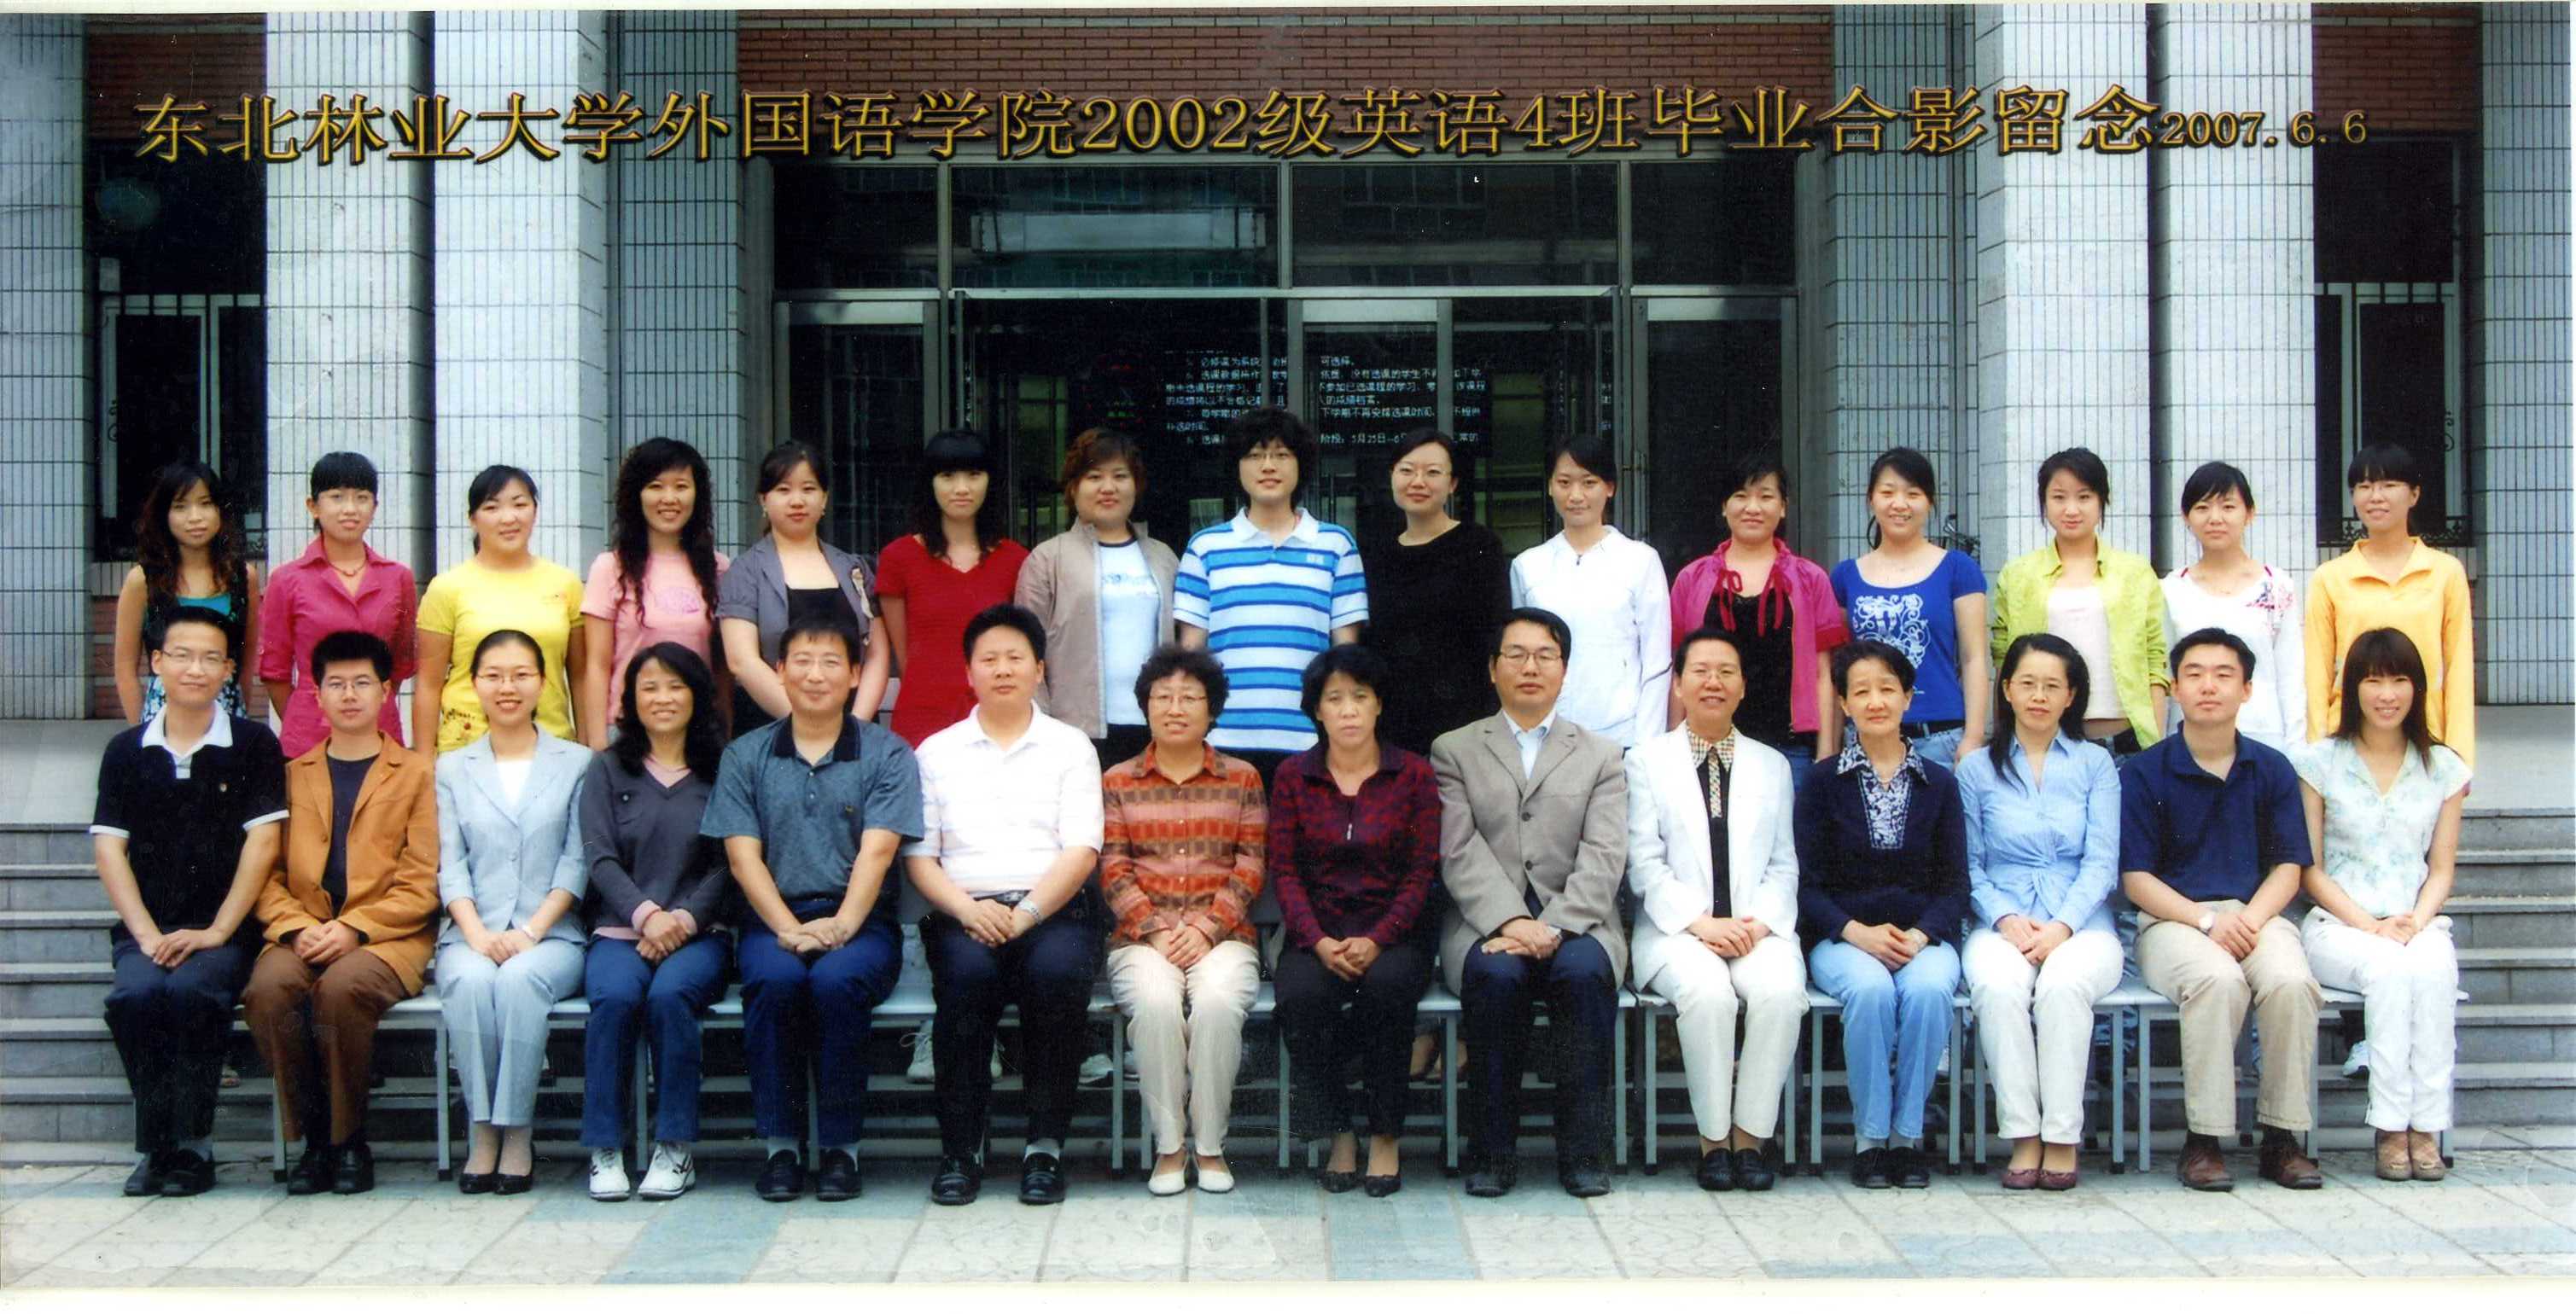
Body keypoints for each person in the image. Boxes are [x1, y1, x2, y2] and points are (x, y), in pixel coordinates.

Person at [700, 619, 918, 1203]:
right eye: (801, 660)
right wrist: (790, 929)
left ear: (855, 675)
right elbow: (742, 858)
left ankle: (842, 1150)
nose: (815, 675)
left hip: (862, 923)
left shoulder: (887, 753)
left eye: (830, 662)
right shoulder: (746, 754)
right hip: (774, 921)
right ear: (779, 671)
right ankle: (782, 1148)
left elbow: (879, 851)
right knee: (774, 982)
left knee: (836, 982)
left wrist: (841, 926)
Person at [904, 605, 1105, 1207]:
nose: (1002, 669)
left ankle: (1044, 1148)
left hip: (1053, 912)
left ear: (1039, 669)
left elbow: (1082, 849)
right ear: (968, 672)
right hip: (965, 913)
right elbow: (921, 859)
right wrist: (969, 911)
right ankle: (962, 1150)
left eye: (1016, 657)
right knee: (965, 982)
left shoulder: (1070, 747)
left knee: (1056, 977)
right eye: (988, 659)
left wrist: (1028, 913)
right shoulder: (936, 752)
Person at [1431, 607, 1629, 1199]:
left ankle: (1583, 1155)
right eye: (1515, 655)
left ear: (1564, 671)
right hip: (1485, 923)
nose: (1530, 667)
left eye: (1545, 656)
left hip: (1580, 922)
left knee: (1583, 975)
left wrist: (1555, 926)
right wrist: (1513, 921)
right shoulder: (1454, 749)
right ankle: (1492, 1155)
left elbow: (1605, 854)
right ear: (1492, 669)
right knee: (1496, 978)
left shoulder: (1600, 754)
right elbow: (1458, 849)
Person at [90, 606, 286, 1197]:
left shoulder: (253, 744)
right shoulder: (126, 751)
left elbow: (264, 843)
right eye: (182, 655)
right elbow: (109, 849)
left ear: (228, 669)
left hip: (225, 931)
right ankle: (156, 1149)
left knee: (192, 992)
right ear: (157, 662)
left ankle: (195, 1146)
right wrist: (146, 935)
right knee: (135, 996)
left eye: (210, 658)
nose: (195, 669)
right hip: (147, 929)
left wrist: (218, 931)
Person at [2120, 627, 2323, 1192]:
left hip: (2256, 915)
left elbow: (2289, 866)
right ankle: (2204, 1140)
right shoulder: (2144, 771)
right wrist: (2207, 921)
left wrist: (2249, 921)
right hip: (2174, 921)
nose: (2208, 686)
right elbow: (2136, 878)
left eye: (2223, 675)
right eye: (2194, 674)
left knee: (2290, 982)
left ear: (2247, 690)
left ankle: (2282, 1137)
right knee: (2217, 980)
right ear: (2175, 688)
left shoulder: (2272, 768)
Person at [242, 631, 437, 1197]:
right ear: (316, 695)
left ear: (385, 692)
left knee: (341, 990)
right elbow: (266, 874)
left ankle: (349, 1141)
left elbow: (422, 881)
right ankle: (313, 1141)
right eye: (336, 684)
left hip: (387, 937)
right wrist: (296, 928)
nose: (349, 695)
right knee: (269, 989)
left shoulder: (417, 774)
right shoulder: (290, 773)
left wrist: (356, 928)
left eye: (361, 683)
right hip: (302, 931)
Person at [1623, 627, 1807, 1192]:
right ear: (1678, 685)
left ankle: (1750, 1140)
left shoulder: (1772, 765)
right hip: (1677, 931)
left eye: (1726, 672)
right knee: (1709, 995)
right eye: (1700, 671)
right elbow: (1643, 862)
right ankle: (1712, 1143)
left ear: (1743, 687)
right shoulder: (1645, 761)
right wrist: (1699, 923)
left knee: (1781, 993)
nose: (1713, 682)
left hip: (1756, 928)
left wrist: (1758, 923)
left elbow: (1784, 863)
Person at [2295, 628, 2469, 1182]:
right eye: (2373, 680)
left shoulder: (2444, 768)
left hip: (2415, 920)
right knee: (2390, 972)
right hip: (2339, 925)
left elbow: (2441, 868)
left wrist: (2416, 920)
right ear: (2353, 688)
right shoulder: (2319, 762)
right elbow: (2310, 869)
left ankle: (2428, 1125)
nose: (2387, 694)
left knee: (2435, 969)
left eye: (2399, 680)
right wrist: (2370, 925)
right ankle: (2391, 1127)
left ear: (2417, 688)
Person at [1795, 640, 1969, 1190]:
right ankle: (1871, 1142)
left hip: (1923, 938)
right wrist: (1856, 934)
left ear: (1908, 698)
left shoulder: (1939, 782)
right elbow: (1806, 885)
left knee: (1928, 992)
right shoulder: (1822, 782)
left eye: (1888, 689)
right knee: (1869, 992)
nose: (1876, 701)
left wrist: (1919, 936)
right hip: (1843, 939)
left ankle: (1906, 1139)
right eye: (1862, 691)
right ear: (1843, 703)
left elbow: (1956, 885)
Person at [1270, 644, 1439, 1197]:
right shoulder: (1294, 776)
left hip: (1394, 934)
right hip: (1315, 934)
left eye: (1360, 697)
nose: (1348, 710)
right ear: (1317, 710)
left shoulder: (1412, 775)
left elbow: (1421, 872)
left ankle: (1385, 1136)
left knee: (1388, 992)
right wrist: (1318, 941)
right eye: (1335, 699)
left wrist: (1379, 938)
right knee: (1302, 998)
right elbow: (1285, 871)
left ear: (1378, 706)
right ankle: (1339, 1132)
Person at [1956, 635, 2124, 1191]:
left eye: (2053, 686)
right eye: (2027, 683)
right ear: (2006, 689)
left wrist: (2062, 927)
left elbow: (2102, 862)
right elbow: (1968, 864)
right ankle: (2023, 1134)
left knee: (2062, 987)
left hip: (2082, 922)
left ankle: (2062, 1137)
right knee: (1998, 987)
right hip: (2000, 920)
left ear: (2072, 695)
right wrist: (2005, 919)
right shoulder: (1976, 769)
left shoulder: (2096, 764)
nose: (2038, 696)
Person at [1098, 645, 1267, 1195]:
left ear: (1211, 709)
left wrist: (1206, 928)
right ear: (1145, 706)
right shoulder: (1117, 780)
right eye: (1163, 697)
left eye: (1190, 697)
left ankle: (1210, 1147)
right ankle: (1170, 1147)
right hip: (1141, 939)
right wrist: (1156, 929)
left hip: (1224, 937)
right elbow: (1113, 866)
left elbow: (1251, 864)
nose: (1175, 708)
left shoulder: (1242, 779)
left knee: (1217, 1003)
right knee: (1155, 1004)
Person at [433, 629, 592, 1195]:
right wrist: (476, 935)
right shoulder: (452, 768)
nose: (508, 687)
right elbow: (450, 863)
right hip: (471, 934)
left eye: (521, 675)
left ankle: (518, 1133)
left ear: (543, 683)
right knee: (472, 983)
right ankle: (483, 1132)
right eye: (494, 676)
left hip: (551, 936)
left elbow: (576, 860)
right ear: (473, 684)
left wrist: (531, 931)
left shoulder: (577, 763)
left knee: (521, 981)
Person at [579, 645, 737, 1202]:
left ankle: (674, 1147)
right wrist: (647, 917)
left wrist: (682, 920)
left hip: (698, 935)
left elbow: (731, 861)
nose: (662, 698)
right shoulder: (606, 768)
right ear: (630, 699)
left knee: (671, 998)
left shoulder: (725, 769)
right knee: (616, 998)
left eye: (675, 686)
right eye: (649, 687)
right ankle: (605, 1148)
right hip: (621, 933)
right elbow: (599, 857)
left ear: (697, 695)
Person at [1175, 405, 1368, 783]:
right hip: (1222, 741)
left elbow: (1345, 656)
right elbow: (1191, 655)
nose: (1268, 466)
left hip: (1309, 742)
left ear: (1301, 465)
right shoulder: (1205, 548)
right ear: (1237, 467)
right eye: (1254, 456)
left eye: (1281, 455)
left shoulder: (1336, 545)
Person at [1665, 453, 1849, 772]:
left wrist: (1826, 754)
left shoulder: (1810, 579)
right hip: (1704, 747)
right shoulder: (1692, 579)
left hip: (1792, 750)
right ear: (1724, 507)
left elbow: (1824, 674)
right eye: (1741, 496)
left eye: (1765, 497)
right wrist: (1674, 746)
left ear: (1783, 507)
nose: (1753, 507)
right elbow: (1678, 671)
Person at [1016, 426, 1179, 767]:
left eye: (1120, 476)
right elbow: (1026, 649)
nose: (1108, 487)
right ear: (1074, 487)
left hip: (1157, 727)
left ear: (1136, 485)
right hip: (1075, 731)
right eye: (1094, 477)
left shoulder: (1163, 558)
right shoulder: (1047, 559)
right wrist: (1042, 724)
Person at [2306, 443, 2474, 768]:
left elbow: (2459, 668)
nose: (2376, 496)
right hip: (2347, 738)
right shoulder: (2330, 577)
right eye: (2364, 486)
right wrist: (2317, 751)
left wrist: (2460, 756)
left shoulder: (2445, 572)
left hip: (2426, 738)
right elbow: (2317, 672)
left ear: (2414, 495)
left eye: (2389, 485)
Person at [1992, 447, 2168, 757]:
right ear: (2044, 503)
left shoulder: (2135, 572)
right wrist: (2003, 740)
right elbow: (2004, 663)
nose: (2071, 509)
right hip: (2045, 742)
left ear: (2102, 502)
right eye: (2059, 497)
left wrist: (2156, 746)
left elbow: (2156, 661)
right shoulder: (2018, 575)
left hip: (2126, 740)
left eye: (2084, 497)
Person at [1508, 431, 1670, 750]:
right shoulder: (1528, 566)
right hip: (1546, 738)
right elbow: (1519, 659)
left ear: (1610, 488)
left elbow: (1657, 662)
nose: (1576, 495)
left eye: (1589, 482)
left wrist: (1645, 748)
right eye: (1564, 482)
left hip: (1622, 739)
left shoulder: (1640, 561)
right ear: (1550, 486)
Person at [717, 441, 890, 732]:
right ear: (763, 500)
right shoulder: (745, 572)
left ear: (824, 499)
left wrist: (856, 726)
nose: (797, 501)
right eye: (784, 490)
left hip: (854, 730)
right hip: (775, 727)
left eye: (809, 489)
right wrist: (812, 726)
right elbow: (742, 661)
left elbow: (876, 655)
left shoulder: (854, 569)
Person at [416, 466, 588, 753]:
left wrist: (587, 750)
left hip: (551, 747)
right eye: (492, 507)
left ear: (535, 511)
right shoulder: (447, 587)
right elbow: (428, 684)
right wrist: (423, 761)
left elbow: (580, 677)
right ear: (473, 519)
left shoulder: (566, 583)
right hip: (467, 748)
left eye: (519, 505)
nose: (508, 518)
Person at [1830, 448, 1987, 763]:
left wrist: (1973, 736)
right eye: (1888, 493)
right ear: (1871, 499)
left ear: (1929, 502)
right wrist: (1833, 745)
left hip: (1940, 738)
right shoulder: (1846, 576)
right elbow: (1838, 667)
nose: (1899, 504)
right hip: (1864, 738)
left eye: (1913, 494)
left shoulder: (1958, 568)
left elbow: (1974, 658)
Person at [1358, 428, 1510, 754]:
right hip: (1393, 728)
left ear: (1452, 483)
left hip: (1466, 726)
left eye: (1433, 472)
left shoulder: (1479, 546)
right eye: (1407, 470)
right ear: (1392, 475)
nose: (1418, 482)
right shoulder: (1375, 554)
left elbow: (1495, 636)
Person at [259, 451, 417, 759]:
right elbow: (274, 672)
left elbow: (399, 665)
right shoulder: (287, 579)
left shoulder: (398, 578)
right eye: (337, 497)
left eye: (362, 498)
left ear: (375, 507)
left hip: (380, 734)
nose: (350, 509)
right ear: (313, 506)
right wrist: (309, 717)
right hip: (309, 740)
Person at [878, 428, 1030, 747]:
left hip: (996, 716)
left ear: (989, 481)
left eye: (974, 475)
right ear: (930, 483)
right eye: (947, 476)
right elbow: (904, 656)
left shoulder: (1016, 559)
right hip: (923, 718)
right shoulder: (899, 558)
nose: (962, 488)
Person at [581, 438, 729, 750]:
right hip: (627, 733)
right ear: (637, 494)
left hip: (699, 735)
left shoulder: (719, 569)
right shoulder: (610, 568)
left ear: (697, 494)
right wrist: (597, 745)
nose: (669, 498)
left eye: (681, 486)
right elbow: (596, 665)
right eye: (656, 486)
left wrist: (726, 737)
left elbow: (722, 668)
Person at [2159, 462, 2305, 748]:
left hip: (2264, 739)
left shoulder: (2277, 586)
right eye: (2202, 508)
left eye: (2228, 507)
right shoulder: (2170, 590)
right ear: (2186, 516)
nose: (2215, 518)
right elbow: (2164, 677)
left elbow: (2292, 678)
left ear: (2249, 513)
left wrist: (2296, 752)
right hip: (2189, 742)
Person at [114, 459, 261, 724]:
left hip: (227, 718)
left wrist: (239, 719)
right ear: (164, 515)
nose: (195, 517)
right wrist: (140, 733)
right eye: (180, 506)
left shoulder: (243, 577)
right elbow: (125, 669)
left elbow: (246, 661)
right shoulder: (142, 581)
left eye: (205, 503)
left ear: (220, 509)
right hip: (163, 723)